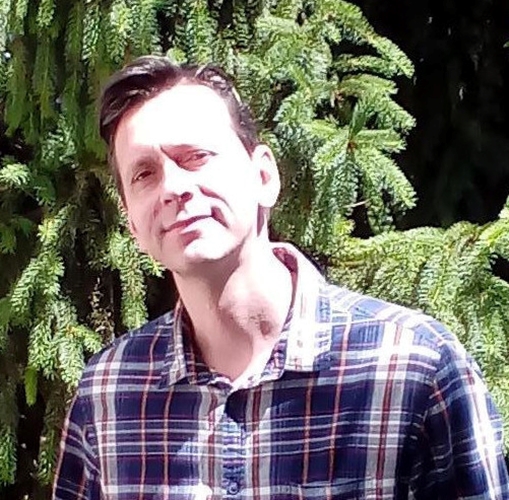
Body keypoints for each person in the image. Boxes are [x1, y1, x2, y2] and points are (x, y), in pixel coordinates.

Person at [53, 55, 509, 500]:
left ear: (264, 176)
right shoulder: (109, 393)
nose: (173, 187)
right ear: (132, 225)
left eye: (195, 157)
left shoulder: (413, 367)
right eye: (144, 174)